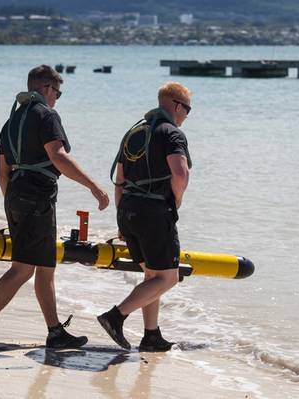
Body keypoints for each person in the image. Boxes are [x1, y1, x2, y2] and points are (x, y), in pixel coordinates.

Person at [0, 65, 110, 350]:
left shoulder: (11, 121)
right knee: (23, 269)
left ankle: (55, 332)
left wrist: (11, 204)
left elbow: (2, 172)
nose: (57, 98)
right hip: (37, 197)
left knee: (44, 266)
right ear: (46, 89)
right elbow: (58, 157)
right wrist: (93, 186)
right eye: (58, 92)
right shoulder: (46, 115)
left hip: (17, 193)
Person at [99, 82, 192, 351]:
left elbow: (119, 179)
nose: (186, 116)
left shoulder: (134, 131)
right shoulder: (171, 133)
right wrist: (176, 201)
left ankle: (152, 335)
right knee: (168, 278)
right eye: (187, 110)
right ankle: (115, 316)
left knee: (153, 277)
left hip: (129, 210)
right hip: (154, 212)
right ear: (177, 106)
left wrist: (120, 218)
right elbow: (180, 173)